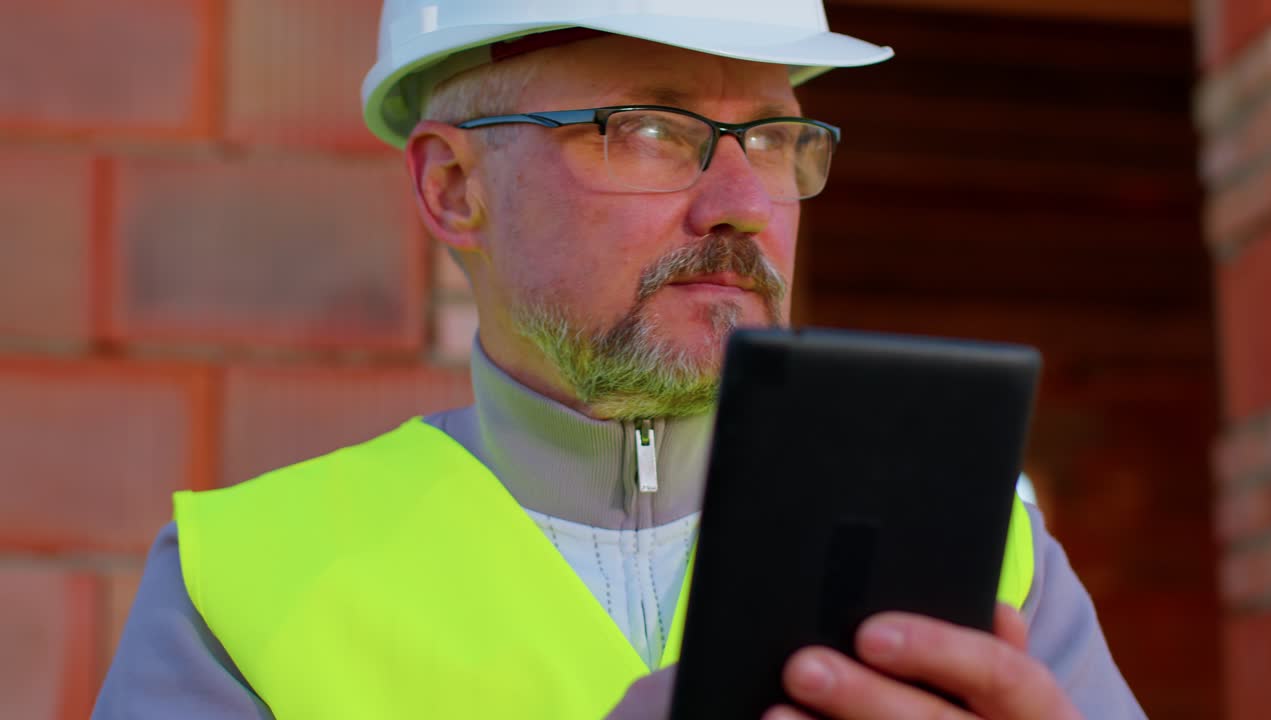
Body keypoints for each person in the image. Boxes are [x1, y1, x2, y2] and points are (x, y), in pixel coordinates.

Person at [93, 1, 1147, 718]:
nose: (740, 202)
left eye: (775, 139)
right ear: (454, 188)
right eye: (646, 127)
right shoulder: (235, 591)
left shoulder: (991, 554)